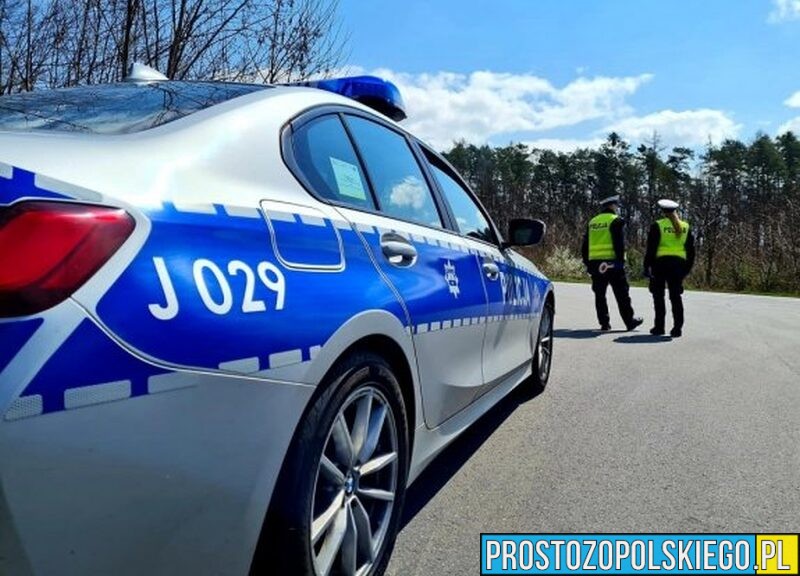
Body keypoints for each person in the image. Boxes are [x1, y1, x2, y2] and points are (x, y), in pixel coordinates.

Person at [581, 195, 643, 331]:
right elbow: (618, 243)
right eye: (616, 206)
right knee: (622, 294)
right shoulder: (616, 221)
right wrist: (621, 261)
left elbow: (585, 245)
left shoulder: (592, 222)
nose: (617, 208)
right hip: (613, 264)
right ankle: (629, 321)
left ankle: (604, 323)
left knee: (600, 295)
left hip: (596, 264)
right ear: (612, 206)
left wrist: (588, 263)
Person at [644, 199, 695, 338]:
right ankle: (677, 328)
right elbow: (691, 251)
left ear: (662, 211)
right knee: (675, 297)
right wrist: (686, 270)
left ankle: (659, 327)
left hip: (660, 264)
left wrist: (646, 266)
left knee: (658, 297)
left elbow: (651, 249)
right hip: (678, 265)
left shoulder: (658, 225)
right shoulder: (685, 226)